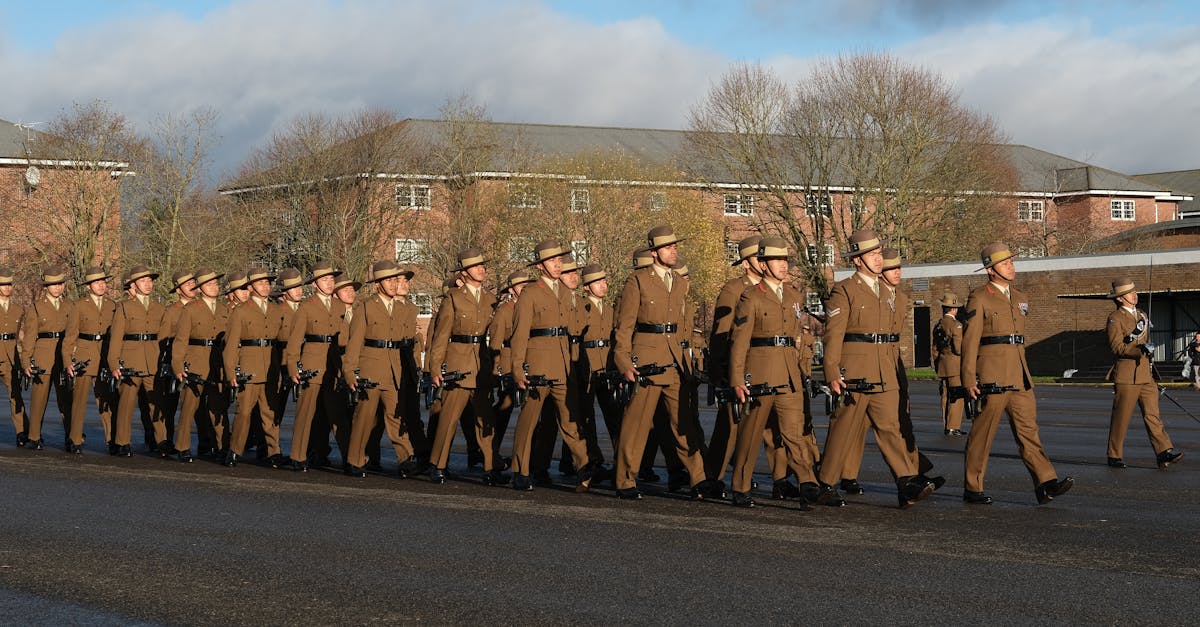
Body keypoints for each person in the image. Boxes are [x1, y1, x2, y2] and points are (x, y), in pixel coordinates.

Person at [816, 230, 933, 509]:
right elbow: (833, 336)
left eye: (880, 254)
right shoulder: (844, 290)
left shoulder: (887, 291)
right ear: (857, 261)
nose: (879, 259)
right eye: (872, 255)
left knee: (890, 427)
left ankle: (906, 482)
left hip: (884, 370)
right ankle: (824, 484)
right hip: (855, 371)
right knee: (843, 429)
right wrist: (832, 372)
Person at [960, 242, 1072, 505]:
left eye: (1011, 261)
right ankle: (972, 486)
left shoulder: (1021, 296)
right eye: (1005, 263)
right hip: (992, 376)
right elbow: (970, 340)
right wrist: (968, 378)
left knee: (1029, 432)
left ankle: (1045, 482)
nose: (1011, 266)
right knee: (982, 434)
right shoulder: (980, 297)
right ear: (991, 270)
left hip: (1020, 374)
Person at [612, 225, 719, 500]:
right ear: (655, 252)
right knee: (636, 424)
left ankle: (698, 479)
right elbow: (624, 327)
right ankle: (625, 479)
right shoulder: (637, 282)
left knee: (682, 421)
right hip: (645, 359)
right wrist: (623, 361)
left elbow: (682, 326)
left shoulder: (680, 281)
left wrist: (689, 359)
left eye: (674, 246)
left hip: (674, 360)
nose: (674, 251)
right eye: (669, 247)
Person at [726, 237, 826, 508]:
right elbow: (740, 341)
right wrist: (737, 379)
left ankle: (807, 482)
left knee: (794, 432)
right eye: (777, 261)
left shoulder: (794, 295)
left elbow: (795, 337)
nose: (784, 265)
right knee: (751, 433)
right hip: (759, 373)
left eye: (785, 260)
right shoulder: (752, 296)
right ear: (763, 264)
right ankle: (741, 485)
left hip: (788, 372)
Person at [508, 240, 596, 491]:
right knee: (529, 418)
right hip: (537, 363)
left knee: (570, 417)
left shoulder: (566, 293)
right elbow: (520, 333)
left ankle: (584, 465)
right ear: (540, 266)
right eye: (552, 261)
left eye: (560, 260)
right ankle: (520, 469)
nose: (558, 264)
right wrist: (517, 367)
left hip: (562, 362)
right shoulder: (530, 293)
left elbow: (575, 328)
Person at [426, 248, 507, 485]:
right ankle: (437, 464)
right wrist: (435, 367)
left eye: (483, 265)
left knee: (486, 420)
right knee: (449, 418)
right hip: (458, 362)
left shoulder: (492, 299)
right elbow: (441, 337)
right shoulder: (454, 298)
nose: (482, 269)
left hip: (482, 363)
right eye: (476, 266)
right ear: (464, 272)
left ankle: (490, 467)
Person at [341, 261, 423, 477]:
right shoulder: (366, 307)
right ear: (378, 284)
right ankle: (355, 459)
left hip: (394, 368)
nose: (394, 284)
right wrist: (350, 372)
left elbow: (407, 342)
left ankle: (406, 459)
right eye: (389, 280)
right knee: (364, 417)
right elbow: (355, 342)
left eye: (396, 279)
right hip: (371, 367)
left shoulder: (400, 309)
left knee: (397, 415)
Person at [1103, 278, 1182, 469]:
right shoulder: (1115, 318)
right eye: (1130, 293)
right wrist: (1139, 350)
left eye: (1134, 291)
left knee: (1153, 415)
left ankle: (1164, 452)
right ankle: (1114, 455)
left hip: (1146, 374)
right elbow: (1117, 347)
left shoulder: (1142, 315)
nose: (1134, 294)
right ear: (1121, 298)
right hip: (1127, 375)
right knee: (1122, 417)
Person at [222, 267, 285, 468]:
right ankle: (235, 450)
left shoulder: (276, 309)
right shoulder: (240, 311)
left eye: (267, 283)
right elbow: (231, 344)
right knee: (244, 413)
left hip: (271, 367)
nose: (265, 286)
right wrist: (231, 371)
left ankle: (273, 451)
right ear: (250, 287)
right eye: (261, 283)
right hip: (249, 366)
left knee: (269, 413)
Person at [283, 261, 341, 472]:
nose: (329, 283)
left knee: (337, 413)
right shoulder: (306, 306)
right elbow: (295, 340)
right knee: (306, 413)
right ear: (315, 284)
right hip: (312, 362)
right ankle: (298, 455)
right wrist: (293, 367)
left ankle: (352, 459)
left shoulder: (339, 306)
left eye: (331, 279)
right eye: (324, 280)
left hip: (334, 364)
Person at [171, 268, 229, 461]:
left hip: (217, 362)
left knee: (218, 407)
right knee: (189, 407)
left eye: (215, 283)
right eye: (209, 284)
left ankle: (222, 447)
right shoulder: (190, 309)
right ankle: (182, 446)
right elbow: (180, 341)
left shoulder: (225, 310)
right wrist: (178, 366)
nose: (214, 287)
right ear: (200, 288)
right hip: (195, 360)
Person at [109, 265, 168, 457]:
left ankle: (162, 441)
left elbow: (163, 337)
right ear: (133, 285)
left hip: (152, 358)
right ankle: (122, 442)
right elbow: (116, 337)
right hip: (131, 359)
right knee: (126, 403)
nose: (148, 284)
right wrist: (114, 363)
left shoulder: (159, 308)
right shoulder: (124, 307)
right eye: (143, 281)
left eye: (150, 281)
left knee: (156, 402)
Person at [63, 266, 117, 453]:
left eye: (103, 282)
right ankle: (75, 439)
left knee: (106, 400)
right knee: (79, 401)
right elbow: (70, 337)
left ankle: (112, 440)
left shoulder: (112, 305)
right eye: (96, 282)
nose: (101, 285)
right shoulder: (79, 305)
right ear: (89, 286)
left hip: (105, 354)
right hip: (84, 354)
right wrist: (68, 361)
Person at [0, 267, 28, 447]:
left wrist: (28, 354)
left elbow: (22, 334)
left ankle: (22, 432)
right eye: (3, 284)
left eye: (9, 284)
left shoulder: (18, 309)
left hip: (11, 356)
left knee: (15, 396)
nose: (7, 287)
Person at [933, 292, 966, 436]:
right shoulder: (956, 325)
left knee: (945, 396)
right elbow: (958, 349)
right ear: (954, 309)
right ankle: (953, 427)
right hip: (955, 366)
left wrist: (936, 363)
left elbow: (934, 349)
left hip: (942, 364)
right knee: (957, 397)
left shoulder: (938, 325)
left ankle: (947, 425)